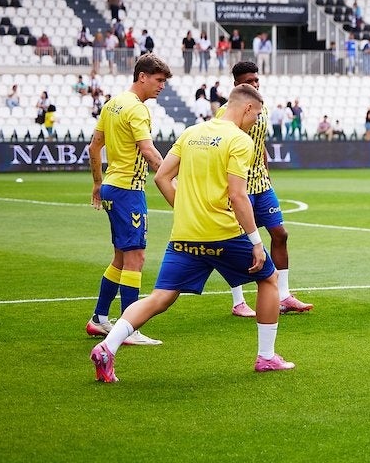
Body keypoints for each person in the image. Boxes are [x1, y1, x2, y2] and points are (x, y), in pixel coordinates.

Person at [89, 83, 295, 383]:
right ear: (247, 108)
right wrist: (255, 242)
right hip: (224, 232)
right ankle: (266, 357)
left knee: (160, 297)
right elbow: (238, 196)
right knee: (268, 278)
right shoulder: (240, 140)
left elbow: (161, 176)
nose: (256, 122)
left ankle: (108, 346)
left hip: (185, 234)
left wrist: (183, 209)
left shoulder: (190, 133)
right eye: (257, 115)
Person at [84, 54, 172, 346]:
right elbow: (147, 150)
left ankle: (99, 319)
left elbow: (95, 146)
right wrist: (169, 176)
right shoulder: (137, 109)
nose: (162, 87)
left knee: (121, 258)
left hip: (112, 187)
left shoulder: (113, 104)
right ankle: (129, 328)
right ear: (142, 77)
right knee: (136, 257)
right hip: (128, 192)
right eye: (159, 80)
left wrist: (98, 182)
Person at [221, 62, 313, 319]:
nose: (254, 85)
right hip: (237, 185)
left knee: (280, 234)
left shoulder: (262, 111)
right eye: (248, 81)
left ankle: (283, 296)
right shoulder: (223, 115)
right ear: (237, 85)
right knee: (236, 243)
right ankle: (238, 301)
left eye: (256, 80)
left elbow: (259, 146)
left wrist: (267, 176)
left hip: (261, 185)